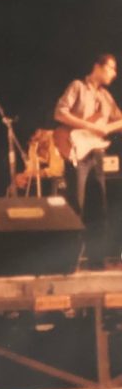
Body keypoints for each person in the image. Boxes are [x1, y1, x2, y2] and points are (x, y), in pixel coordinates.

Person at [54, 53, 122, 267]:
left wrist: (106, 128)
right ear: (98, 67)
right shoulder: (78, 86)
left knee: (98, 208)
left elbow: (118, 120)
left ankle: (96, 260)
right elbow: (60, 113)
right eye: (111, 68)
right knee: (77, 205)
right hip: (78, 150)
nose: (114, 73)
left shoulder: (106, 96)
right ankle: (69, 261)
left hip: (97, 154)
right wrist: (92, 127)